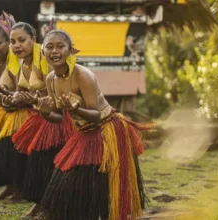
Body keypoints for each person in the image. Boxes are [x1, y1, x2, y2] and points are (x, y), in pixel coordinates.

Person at [37, 29, 156, 220]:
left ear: (71, 51)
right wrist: (44, 112)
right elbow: (59, 117)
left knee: (100, 184)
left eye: (60, 46)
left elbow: (96, 116)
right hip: (85, 131)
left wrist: (75, 110)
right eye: (49, 47)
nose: (55, 51)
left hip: (107, 128)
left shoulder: (82, 75)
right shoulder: (50, 80)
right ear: (43, 52)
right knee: (69, 180)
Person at [0, 20, 75, 217]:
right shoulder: (23, 63)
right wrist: (12, 98)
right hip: (41, 116)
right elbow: (23, 92)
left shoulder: (45, 59)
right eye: (13, 41)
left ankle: (50, 206)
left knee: (49, 161)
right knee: (37, 162)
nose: (16, 45)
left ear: (34, 39)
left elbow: (58, 93)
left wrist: (31, 99)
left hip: (59, 117)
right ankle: (41, 203)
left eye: (21, 40)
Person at [0, 18, 32, 201]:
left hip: (21, 113)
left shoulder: (16, 62)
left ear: (7, 42)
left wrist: (7, 94)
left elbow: (23, 90)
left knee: (16, 153)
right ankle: (10, 187)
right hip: (4, 112)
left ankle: (20, 189)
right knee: (3, 151)